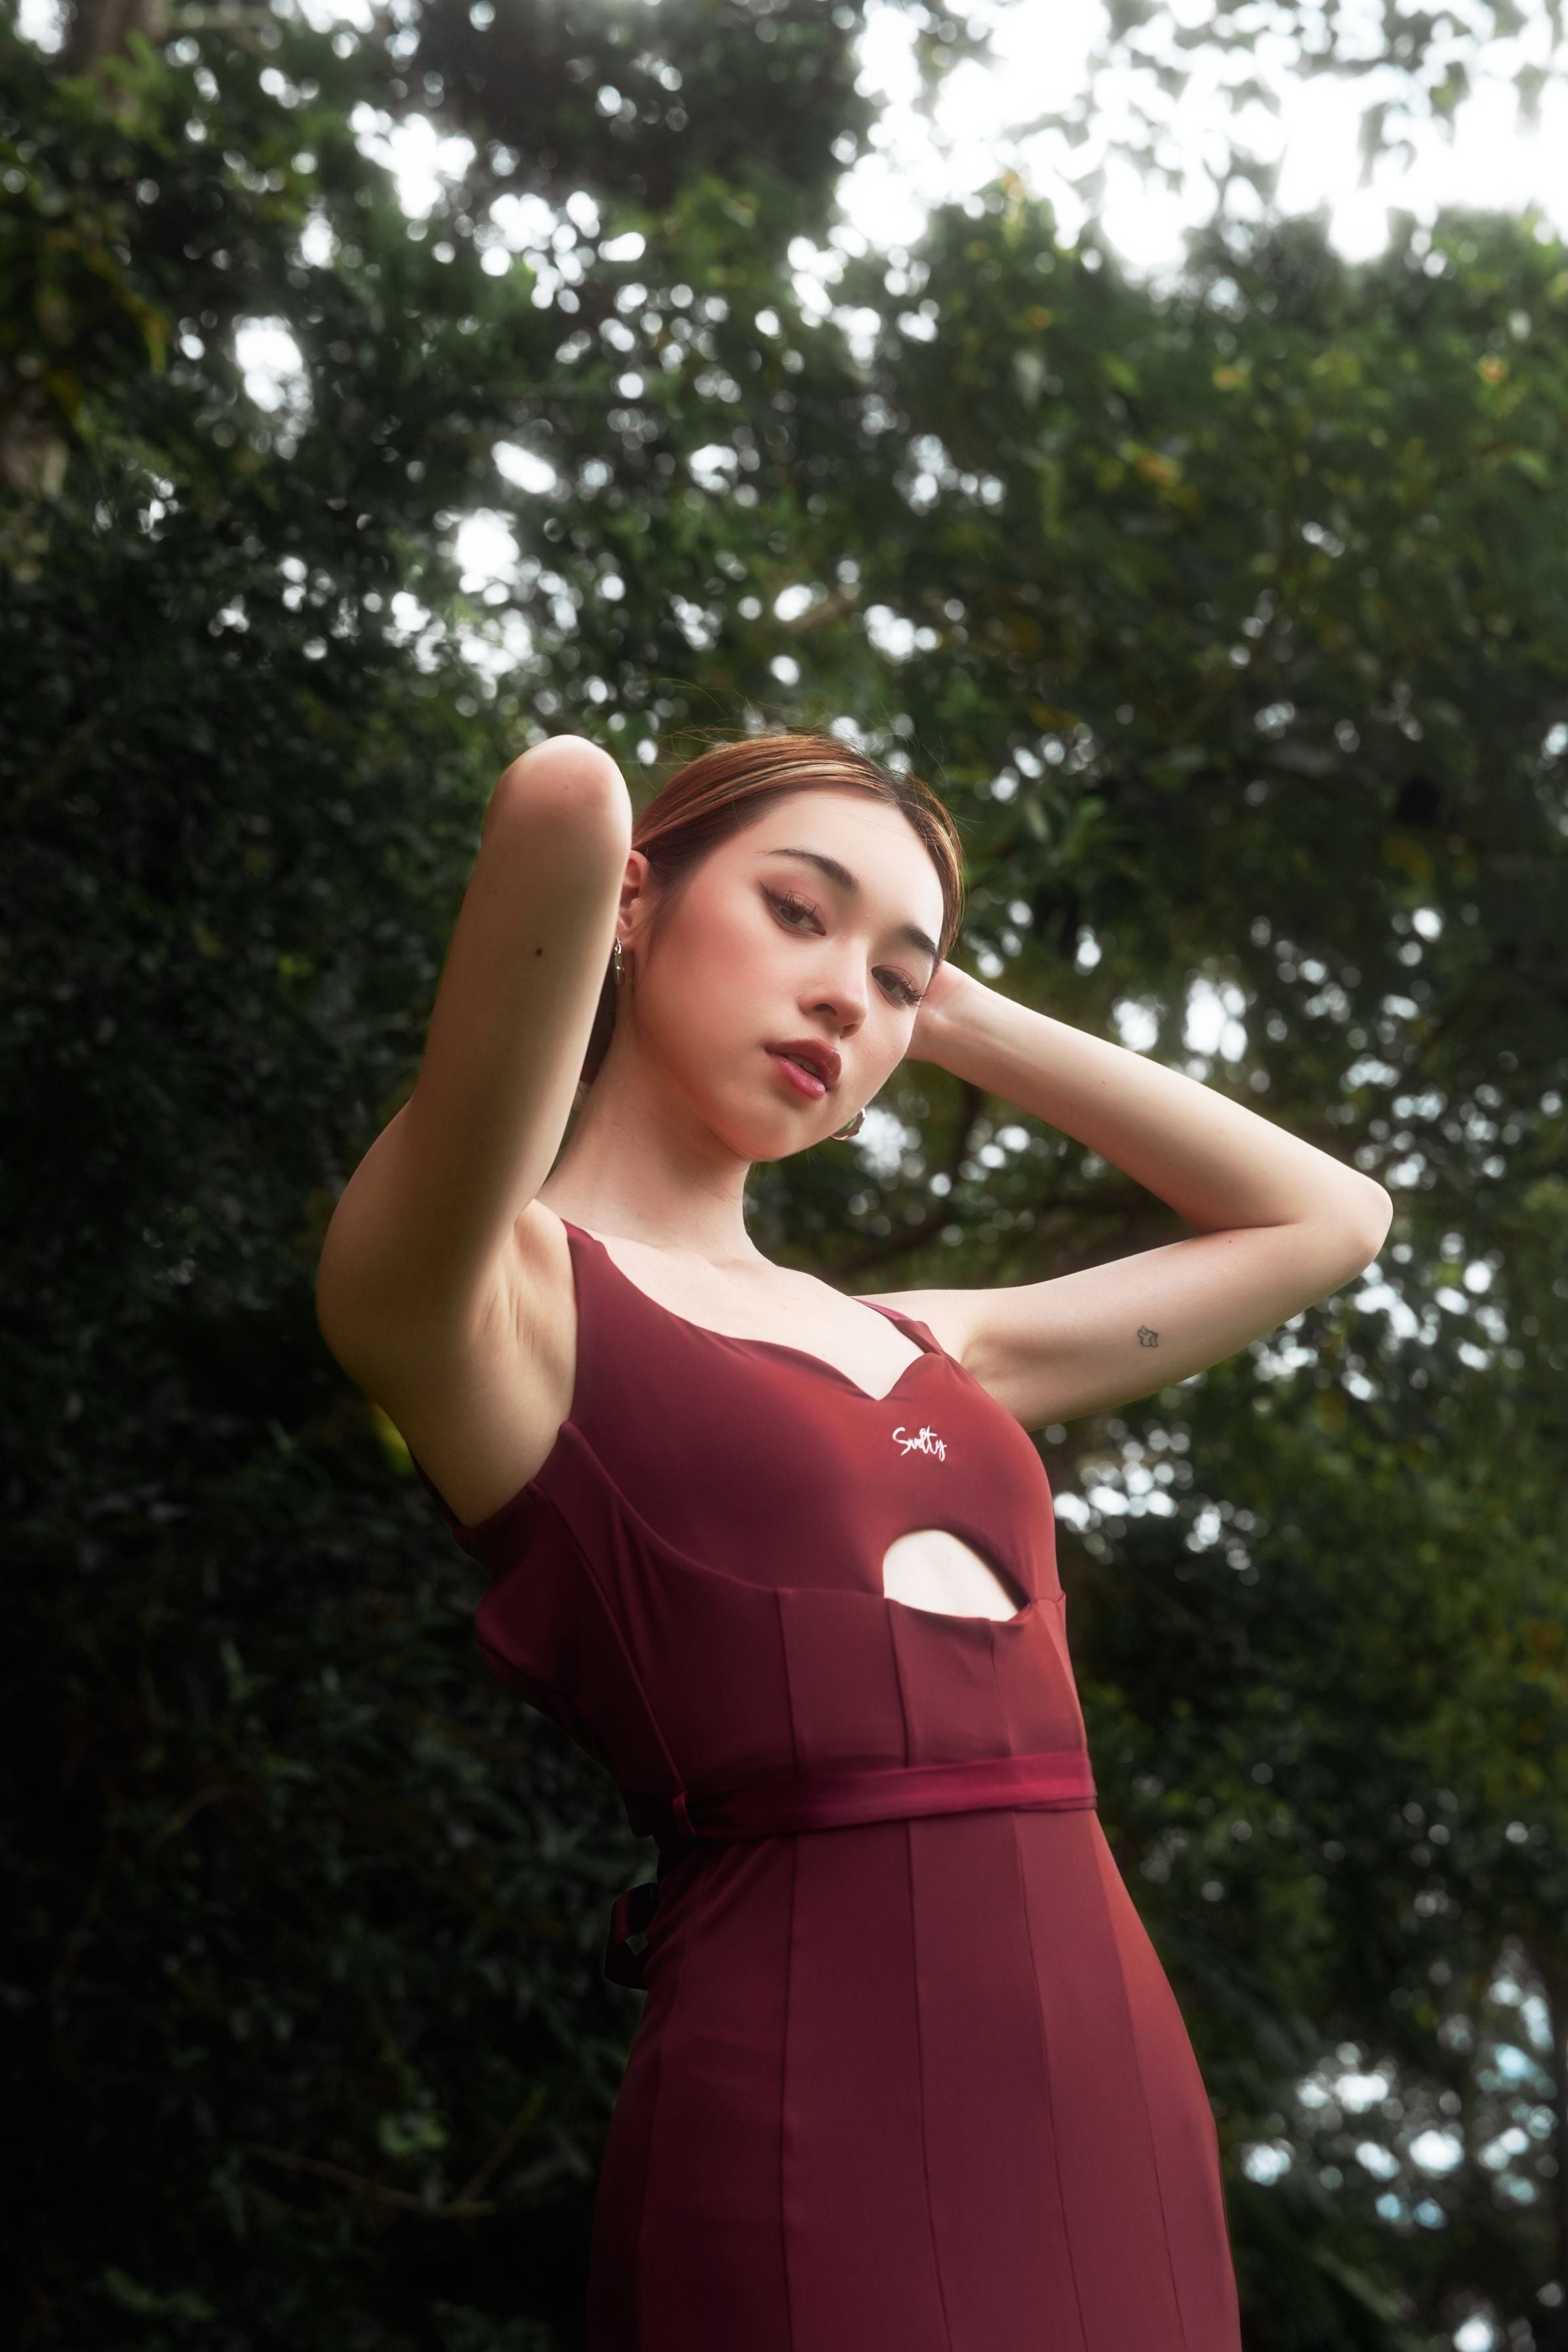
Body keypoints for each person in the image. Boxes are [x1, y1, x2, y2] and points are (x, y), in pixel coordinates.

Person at [316, 729, 1392, 2350]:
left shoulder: (930, 1341)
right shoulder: (489, 1299)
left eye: (893, 976)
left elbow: (1330, 1217)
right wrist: (661, 895)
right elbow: (566, 794)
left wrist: (945, 1009)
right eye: (795, 911)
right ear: (631, 905)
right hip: (806, 2063)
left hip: (1105, 2079)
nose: (845, 998)